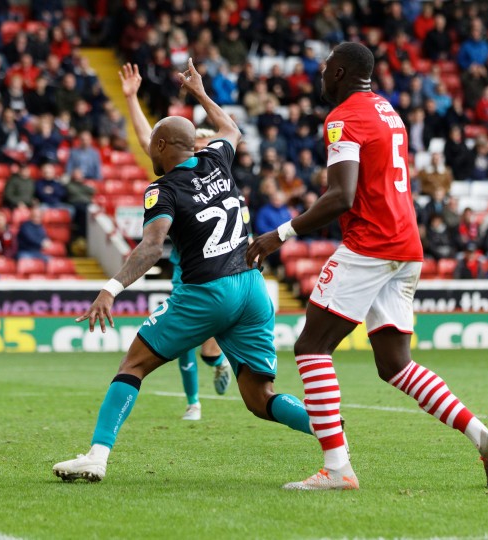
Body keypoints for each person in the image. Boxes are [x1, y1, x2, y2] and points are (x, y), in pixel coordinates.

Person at [247, 43, 488, 490]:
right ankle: (484, 437)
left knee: (312, 346)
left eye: (326, 67)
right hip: (406, 244)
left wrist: (280, 234)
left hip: (371, 243)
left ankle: (337, 469)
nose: (320, 74)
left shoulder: (344, 117)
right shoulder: (388, 110)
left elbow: (341, 196)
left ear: (342, 72)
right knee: (395, 364)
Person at [53, 58, 312, 483]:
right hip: (252, 288)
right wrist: (200, 93)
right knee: (259, 397)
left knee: (132, 365)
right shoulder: (216, 158)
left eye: (151, 144)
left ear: (159, 147)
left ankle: (97, 456)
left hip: (208, 291)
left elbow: (152, 247)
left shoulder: (163, 189)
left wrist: (111, 289)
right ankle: (332, 434)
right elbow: (232, 129)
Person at [118, 62, 234, 420]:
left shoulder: (213, 163)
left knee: (208, 346)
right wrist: (132, 98)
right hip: (191, 268)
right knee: (188, 343)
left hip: (223, 265)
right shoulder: (193, 162)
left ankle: (220, 363)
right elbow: (146, 140)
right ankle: (193, 402)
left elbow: (227, 130)